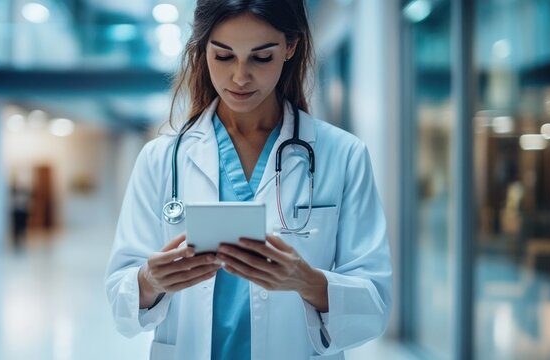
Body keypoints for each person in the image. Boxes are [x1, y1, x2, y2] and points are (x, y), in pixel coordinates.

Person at [105, 1, 392, 359]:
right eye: (224, 56)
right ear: (203, 49)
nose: (240, 77)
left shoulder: (344, 155)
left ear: (290, 47)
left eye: (261, 57)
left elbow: (375, 305)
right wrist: (150, 281)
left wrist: (308, 281)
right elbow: (120, 300)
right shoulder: (161, 159)